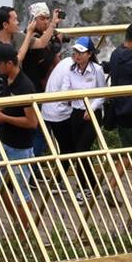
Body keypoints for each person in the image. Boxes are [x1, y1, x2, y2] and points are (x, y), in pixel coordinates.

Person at [42, 36, 107, 198]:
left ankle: (87, 187)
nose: (77, 55)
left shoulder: (97, 70)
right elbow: (65, 91)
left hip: (92, 114)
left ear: (90, 54)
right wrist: (67, 98)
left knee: (81, 150)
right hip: (76, 114)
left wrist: (91, 107)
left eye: (81, 52)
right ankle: (88, 186)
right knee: (77, 152)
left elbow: (103, 94)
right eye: (76, 52)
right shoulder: (71, 70)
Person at [0, 42, 39, 232]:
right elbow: (6, 104)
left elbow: (32, 122)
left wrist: (4, 118)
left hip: (20, 148)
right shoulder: (5, 79)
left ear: (9, 63)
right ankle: (19, 221)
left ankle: (25, 230)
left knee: (21, 193)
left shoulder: (25, 87)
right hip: (4, 143)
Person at [18, 2, 66, 170]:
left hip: (40, 90)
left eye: (47, 18)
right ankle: (30, 169)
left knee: (41, 132)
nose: (46, 22)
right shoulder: (29, 39)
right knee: (40, 132)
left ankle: (32, 169)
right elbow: (43, 47)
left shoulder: (43, 36)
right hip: (33, 91)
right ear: (33, 20)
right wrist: (55, 38)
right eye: (43, 18)